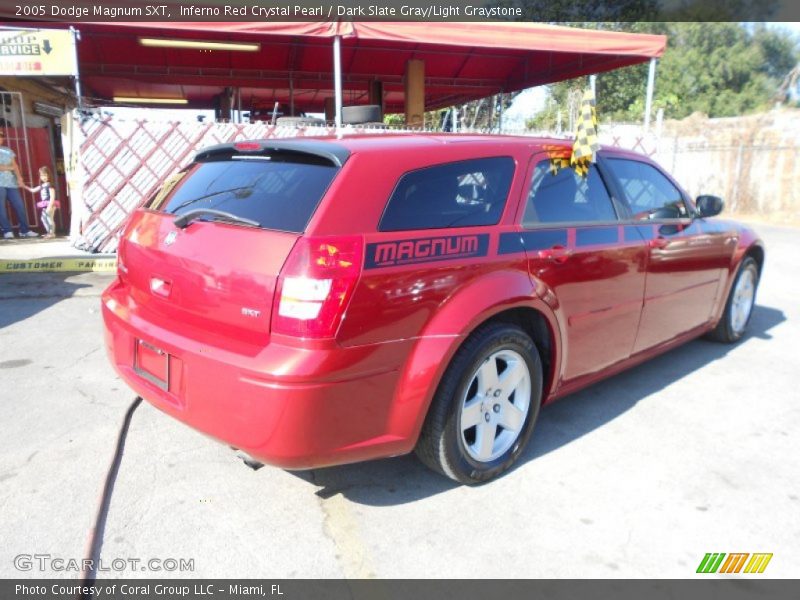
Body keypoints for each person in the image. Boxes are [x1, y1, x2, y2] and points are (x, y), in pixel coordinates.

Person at [0, 130, 38, 239]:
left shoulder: (8, 150)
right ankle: (7, 230)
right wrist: (9, 168)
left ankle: (24, 230)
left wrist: (19, 178)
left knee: (19, 205)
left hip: (12, 183)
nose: (1, 137)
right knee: (1, 208)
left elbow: (15, 166)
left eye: (2, 135)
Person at [25, 166, 59, 239]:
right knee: (43, 218)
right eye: (42, 175)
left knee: (50, 218)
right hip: (45, 204)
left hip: (50, 204)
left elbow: (52, 196)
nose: (43, 177)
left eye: (45, 175)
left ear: (49, 175)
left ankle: (52, 233)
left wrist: (50, 206)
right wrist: (24, 186)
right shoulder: (42, 185)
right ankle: (49, 232)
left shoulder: (50, 185)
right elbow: (33, 190)